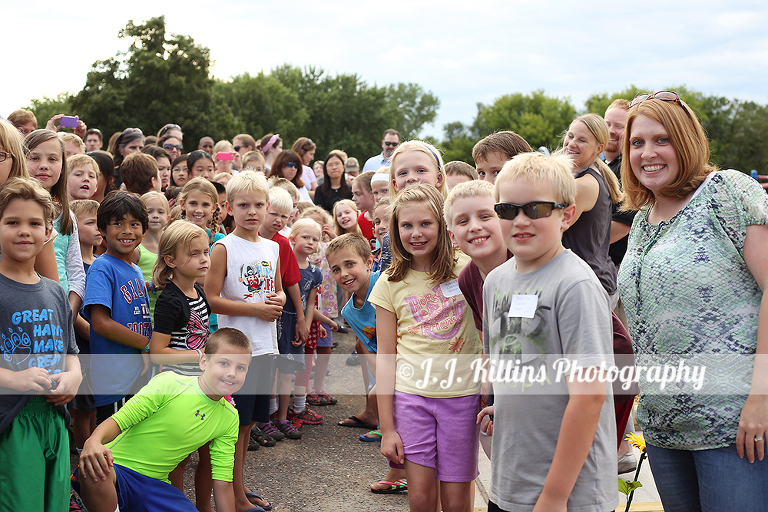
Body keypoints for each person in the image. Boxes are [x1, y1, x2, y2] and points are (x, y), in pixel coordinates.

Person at [618, 91, 768, 512]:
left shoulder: (726, 192)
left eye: (661, 139)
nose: (647, 153)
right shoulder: (642, 224)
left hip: (733, 425)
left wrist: (762, 398)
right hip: (665, 429)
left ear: (686, 141)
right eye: (636, 143)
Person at [478, 152, 617, 512]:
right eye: (508, 210)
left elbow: (589, 397)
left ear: (567, 215)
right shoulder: (495, 281)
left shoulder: (575, 285)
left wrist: (554, 497)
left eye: (536, 209)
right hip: (511, 483)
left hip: (568, 494)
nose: (520, 220)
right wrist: (501, 405)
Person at [371, 184, 482, 512]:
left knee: (456, 501)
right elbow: (385, 358)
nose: (416, 233)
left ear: (443, 226)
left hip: (463, 400)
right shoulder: (389, 283)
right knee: (420, 499)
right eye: (407, 225)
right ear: (396, 230)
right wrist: (387, 428)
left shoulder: (469, 268)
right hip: (411, 400)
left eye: (425, 224)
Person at [75, 328, 251, 512]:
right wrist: (93, 441)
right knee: (96, 467)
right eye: (224, 363)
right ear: (203, 361)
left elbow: (223, 482)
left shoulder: (229, 417)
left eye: (240, 367)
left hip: (155, 486)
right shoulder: (170, 383)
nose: (232, 373)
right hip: (117, 470)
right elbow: (119, 421)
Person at [0, 177, 81, 512]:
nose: (24, 231)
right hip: (11, 423)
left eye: (34, 223)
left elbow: (71, 356)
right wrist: (12, 379)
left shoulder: (55, 291)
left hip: (55, 420)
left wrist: (74, 378)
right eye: (12, 222)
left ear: (49, 233)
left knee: (55, 504)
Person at [204, 171, 282, 512]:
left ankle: (240, 487)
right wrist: (254, 309)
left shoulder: (273, 246)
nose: (252, 211)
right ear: (228, 208)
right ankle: (233, 497)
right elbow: (211, 298)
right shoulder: (223, 246)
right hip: (236, 350)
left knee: (248, 424)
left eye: (259, 205)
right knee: (233, 427)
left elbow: (276, 288)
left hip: (264, 346)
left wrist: (278, 300)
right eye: (243, 205)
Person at [149, 220, 216, 511]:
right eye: (194, 254)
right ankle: (176, 506)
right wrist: (199, 356)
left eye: (205, 252)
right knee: (180, 456)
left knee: (210, 453)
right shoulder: (169, 300)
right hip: (180, 386)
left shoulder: (199, 292)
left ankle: (204, 507)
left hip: (205, 384)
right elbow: (157, 352)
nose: (203, 259)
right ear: (171, 260)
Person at [84, 191, 152, 424]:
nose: (127, 230)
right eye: (117, 223)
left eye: (134, 224)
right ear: (102, 230)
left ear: (144, 230)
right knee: (115, 448)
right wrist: (147, 344)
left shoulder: (134, 268)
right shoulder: (102, 267)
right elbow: (101, 323)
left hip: (135, 373)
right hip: (115, 379)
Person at [561, 113, 623, 304]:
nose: (571, 144)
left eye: (581, 140)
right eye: (570, 136)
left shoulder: (583, 185)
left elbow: (550, 229)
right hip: (590, 278)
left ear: (598, 148)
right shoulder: (586, 175)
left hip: (589, 285)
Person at [25, 129, 86, 319]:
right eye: (34, 158)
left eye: (52, 159)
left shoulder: (67, 217)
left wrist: (68, 312)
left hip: (61, 313)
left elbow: (76, 273)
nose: (44, 166)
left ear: (62, 166)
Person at [287, 218, 338, 425]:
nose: (310, 242)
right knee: (282, 369)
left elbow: (310, 304)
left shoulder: (316, 272)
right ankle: (275, 410)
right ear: (292, 238)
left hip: (307, 326)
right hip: (287, 324)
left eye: (315, 239)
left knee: (305, 367)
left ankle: (300, 407)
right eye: (305, 237)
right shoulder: (284, 266)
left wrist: (314, 325)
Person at [70, 199, 102, 449]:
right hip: (83, 345)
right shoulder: (75, 267)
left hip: (98, 347)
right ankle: (82, 457)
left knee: (93, 405)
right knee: (82, 407)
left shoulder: (100, 263)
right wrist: (95, 334)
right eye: (90, 222)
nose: (97, 227)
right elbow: (75, 310)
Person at [603, 99, 636, 268]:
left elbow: (623, 225)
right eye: (607, 124)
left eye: (619, 126)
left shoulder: (628, 169)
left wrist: (581, 245)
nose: (611, 131)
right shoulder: (603, 166)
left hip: (613, 267)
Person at [352, 171, 376, 248]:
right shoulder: (361, 220)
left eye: (358, 194)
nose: (353, 198)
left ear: (373, 193)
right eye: (353, 194)